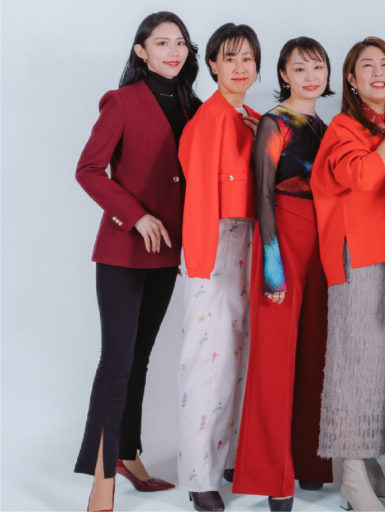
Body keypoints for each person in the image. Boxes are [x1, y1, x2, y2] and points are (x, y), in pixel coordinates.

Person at [74, 11, 201, 512]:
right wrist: (135, 216)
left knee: (140, 357)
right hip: (124, 250)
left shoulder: (192, 106)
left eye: (181, 42)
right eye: (162, 42)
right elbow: (88, 170)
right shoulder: (121, 101)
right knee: (117, 361)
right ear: (141, 51)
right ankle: (102, 475)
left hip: (167, 252)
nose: (174, 50)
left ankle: (127, 453)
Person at [311, 36, 385, 511]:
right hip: (355, 256)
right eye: (367, 66)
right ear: (352, 79)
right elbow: (360, 176)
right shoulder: (343, 126)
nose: (378, 72)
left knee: (383, 364)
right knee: (353, 364)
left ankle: (370, 461)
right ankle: (351, 475)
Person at [231, 37, 335, 511]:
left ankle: (308, 463)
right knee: (274, 359)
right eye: (300, 68)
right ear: (283, 74)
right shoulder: (275, 123)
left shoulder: (324, 126)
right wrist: (272, 267)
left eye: (318, 67)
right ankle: (273, 477)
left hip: (321, 244)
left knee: (314, 352)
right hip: (283, 240)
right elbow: (264, 195)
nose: (310, 76)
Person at [176, 22, 261, 512]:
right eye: (230, 58)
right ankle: (199, 475)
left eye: (248, 58)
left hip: (246, 244)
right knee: (207, 362)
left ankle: (224, 459)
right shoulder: (209, 119)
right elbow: (201, 199)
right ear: (212, 64)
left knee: (236, 358)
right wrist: (201, 263)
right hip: (214, 245)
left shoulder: (250, 117)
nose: (240, 67)